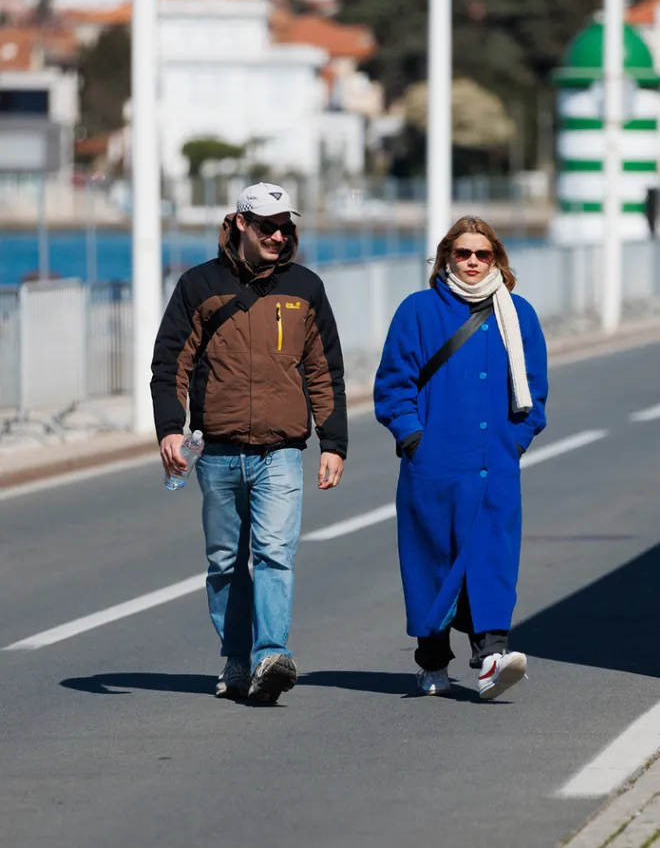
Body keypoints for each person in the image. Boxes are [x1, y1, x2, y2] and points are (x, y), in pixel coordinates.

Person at [151, 183, 347, 704]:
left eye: (285, 227)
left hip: (281, 452)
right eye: (267, 227)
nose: (278, 236)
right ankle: (237, 660)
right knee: (224, 563)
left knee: (275, 555)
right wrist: (170, 427)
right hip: (216, 451)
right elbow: (171, 362)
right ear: (239, 224)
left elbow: (325, 370)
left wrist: (334, 442)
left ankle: (270, 657)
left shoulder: (307, 287)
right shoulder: (197, 286)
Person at [374, 216, 547, 700]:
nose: (472, 262)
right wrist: (414, 439)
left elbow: (535, 389)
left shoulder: (520, 314)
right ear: (446, 257)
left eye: (482, 254)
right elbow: (393, 385)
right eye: (463, 253)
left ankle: (492, 656)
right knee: (432, 559)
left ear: (497, 259)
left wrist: (515, 441)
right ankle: (431, 660)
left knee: (493, 556)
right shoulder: (418, 310)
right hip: (433, 464)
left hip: (496, 464)